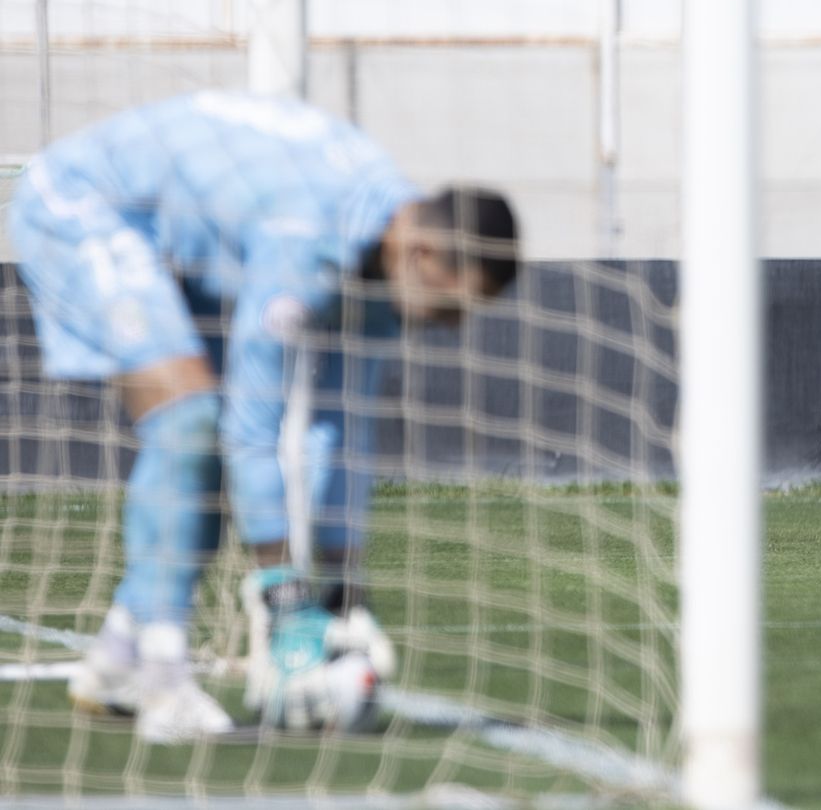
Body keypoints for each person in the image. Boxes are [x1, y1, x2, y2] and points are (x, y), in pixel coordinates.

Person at [6, 90, 519, 742]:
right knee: (190, 421)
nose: (453, 327)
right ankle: (161, 681)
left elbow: (339, 426)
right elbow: (253, 429)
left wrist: (344, 593)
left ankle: (117, 657)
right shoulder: (306, 242)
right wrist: (284, 597)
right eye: (452, 307)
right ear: (423, 256)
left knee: (209, 443)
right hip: (81, 205)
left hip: (180, 243)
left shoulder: (384, 253)